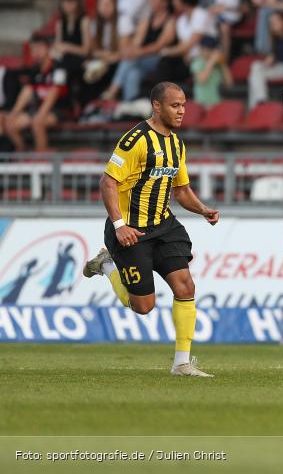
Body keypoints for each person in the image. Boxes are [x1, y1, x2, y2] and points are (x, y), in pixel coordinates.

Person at [81, 82, 219, 377]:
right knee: (143, 306)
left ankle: (182, 363)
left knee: (186, 286)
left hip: (164, 226)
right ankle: (107, 265)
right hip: (131, 230)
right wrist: (119, 226)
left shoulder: (177, 144)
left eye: (183, 105)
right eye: (175, 105)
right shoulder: (135, 141)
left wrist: (202, 209)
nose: (181, 111)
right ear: (157, 106)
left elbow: (181, 190)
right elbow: (108, 182)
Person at [104, 0, 176, 102]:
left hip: (160, 59)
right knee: (133, 74)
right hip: (142, 60)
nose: (150, 1)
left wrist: (137, 53)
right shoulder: (147, 20)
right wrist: (130, 52)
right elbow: (137, 41)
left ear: (165, 2)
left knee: (130, 60)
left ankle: (112, 90)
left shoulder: (170, 21)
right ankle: (130, 104)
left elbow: (159, 45)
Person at [2, 37, 68, 153]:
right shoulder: (35, 69)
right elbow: (27, 92)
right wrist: (14, 113)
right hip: (37, 110)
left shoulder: (59, 68)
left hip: (58, 109)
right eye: (33, 49)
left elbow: (54, 92)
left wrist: (41, 114)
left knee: (37, 123)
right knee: (10, 123)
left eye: (39, 48)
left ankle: (41, 160)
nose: (36, 51)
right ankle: (22, 154)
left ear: (48, 49)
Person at [248, 11, 283, 108]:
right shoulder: (276, 40)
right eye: (271, 23)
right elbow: (272, 58)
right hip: (278, 67)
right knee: (255, 67)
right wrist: (266, 63)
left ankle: (257, 105)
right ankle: (260, 101)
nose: (273, 25)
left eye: (275, 22)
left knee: (255, 76)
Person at [190, 36, 232, 108]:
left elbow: (229, 84)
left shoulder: (218, 64)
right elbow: (201, 80)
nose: (209, 52)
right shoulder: (197, 62)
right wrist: (211, 62)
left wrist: (223, 65)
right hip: (201, 103)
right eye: (206, 49)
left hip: (216, 103)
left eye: (211, 49)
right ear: (201, 49)